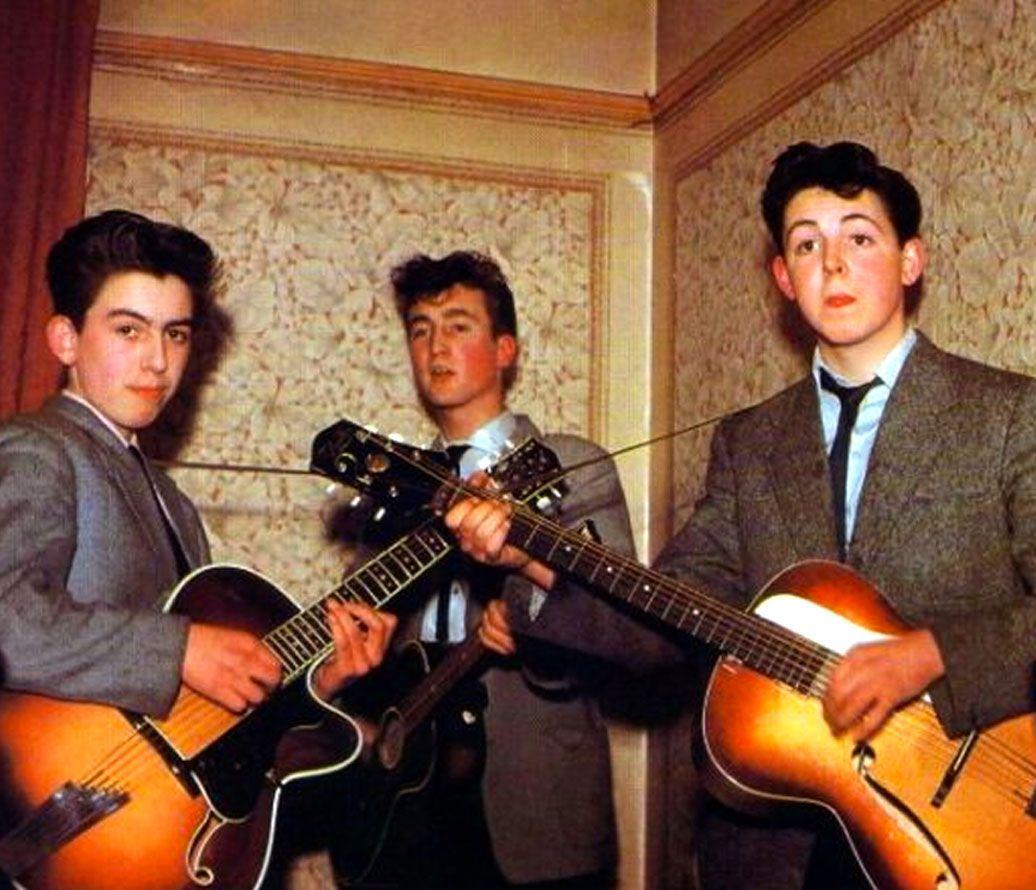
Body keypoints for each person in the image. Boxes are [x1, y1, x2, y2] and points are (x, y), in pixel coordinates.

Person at [446, 142, 1036, 888]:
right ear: (784, 279)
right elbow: (667, 617)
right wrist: (534, 560)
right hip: (772, 851)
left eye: (860, 237)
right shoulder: (749, 442)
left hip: (967, 831)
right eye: (807, 244)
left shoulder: (1010, 414)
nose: (833, 263)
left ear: (910, 261)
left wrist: (935, 653)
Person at [337, 251, 680, 889]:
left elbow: (628, 629)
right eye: (420, 328)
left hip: (535, 802)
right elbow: (368, 651)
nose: (436, 345)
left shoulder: (571, 466)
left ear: (505, 350)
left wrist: (535, 620)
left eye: (458, 325)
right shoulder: (394, 488)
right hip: (406, 799)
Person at [0, 208, 394, 720]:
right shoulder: (40, 449)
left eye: (176, 334)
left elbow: (190, 716)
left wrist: (321, 679)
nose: (159, 361)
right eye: (128, 331)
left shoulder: (174, 504)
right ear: (66, 339)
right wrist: (180, 649)